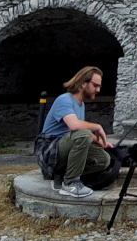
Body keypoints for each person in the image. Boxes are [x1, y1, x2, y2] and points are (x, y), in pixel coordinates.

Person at [36, 65, 113, 198]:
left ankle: (61, 176)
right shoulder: (65, 100)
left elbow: (78, 132)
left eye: (99, 86)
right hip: (49, 151)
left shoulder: (80, 104)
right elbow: (75, 126)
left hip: (63, 148)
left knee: (103, 159)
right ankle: (70, 183)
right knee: (85, 133)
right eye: (95, 85)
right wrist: (97, 127)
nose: (98, 90)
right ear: (83, 83)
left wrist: (102, 143)